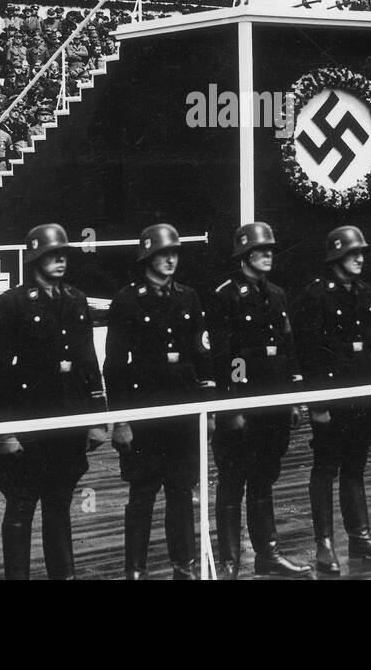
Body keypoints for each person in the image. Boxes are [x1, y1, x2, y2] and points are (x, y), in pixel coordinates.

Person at [0, 224, 107, 580]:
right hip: (28, 424)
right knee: (21, 509)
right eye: (52, 255)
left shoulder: (75, 299)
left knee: (59, 506)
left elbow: (88, 362)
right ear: (35, 258)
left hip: (68, 420)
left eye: (63, 255)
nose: (60, 261)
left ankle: (64, 574)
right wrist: (4, 432)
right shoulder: (13, 303)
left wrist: (98, 418)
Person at [106, 223, 214, 580]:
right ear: (148, 257)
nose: (170, 260)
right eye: (163, 254)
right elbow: (115, 366)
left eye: (174, 254)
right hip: (145, 411)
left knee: (181, 491)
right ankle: (135, 569)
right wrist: (121, 421)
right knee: (142, 493)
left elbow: (201, 355)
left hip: (182, 410)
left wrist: (206, 408)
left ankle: (183, 566)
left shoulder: (189, 297)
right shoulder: (126, 300)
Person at [208, 222, 312, 577]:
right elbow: (224, 358)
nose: (269, 254)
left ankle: (268, 553)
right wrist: (232, 406)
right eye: (261, 250)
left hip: (274, 404)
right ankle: (229, 562)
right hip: (242, 406)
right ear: (245, 254)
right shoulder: (226, 295)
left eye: (270, 249)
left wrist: (295, 399)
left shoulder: (277, 294)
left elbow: (288, 348)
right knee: (233, 481)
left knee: (264, 478)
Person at [293, 226, 371, 573]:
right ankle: (324, 544)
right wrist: (318, 405)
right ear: (336, 256)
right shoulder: (316, 295)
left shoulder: (366, 292)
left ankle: (360, 537)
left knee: (355, 468)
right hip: (332, 399)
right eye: (353, 253)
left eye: (363, 253)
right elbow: (308, 355)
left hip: (362, 396)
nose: (360, 259)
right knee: (325, 469)